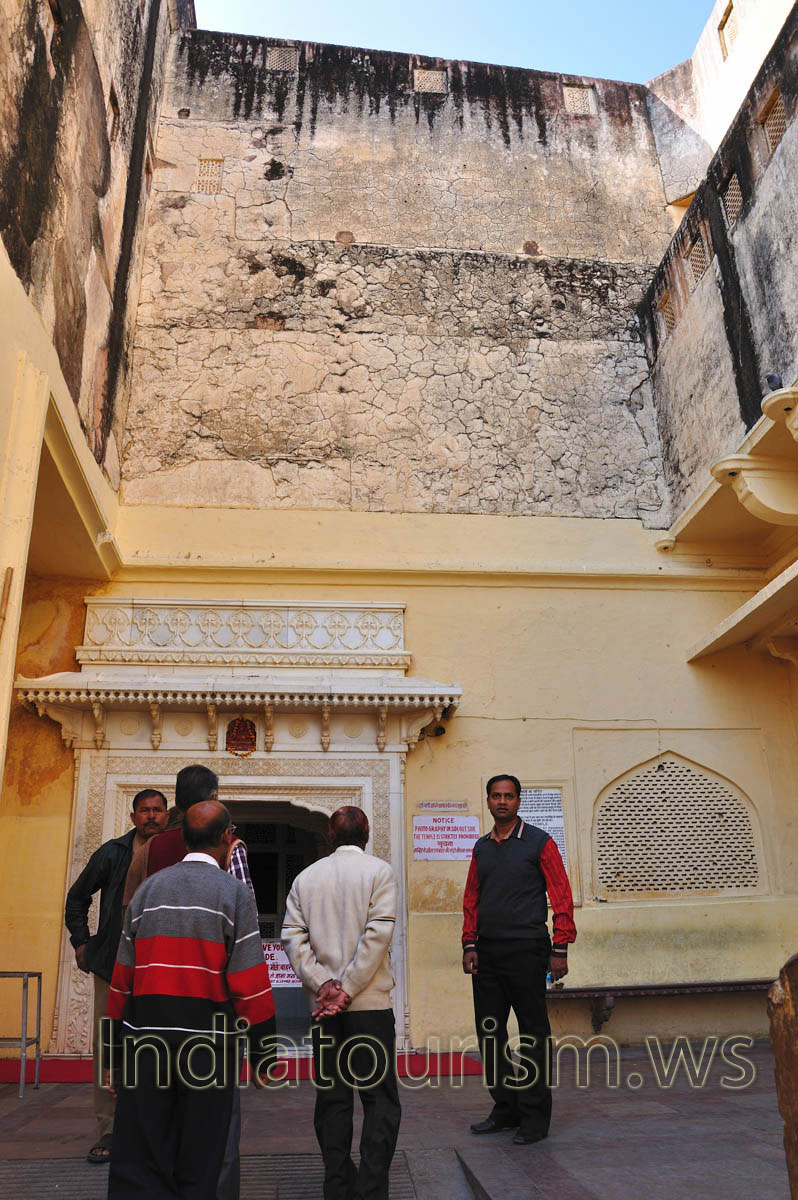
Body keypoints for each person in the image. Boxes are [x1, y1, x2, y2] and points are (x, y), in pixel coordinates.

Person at [105, 800, 276, 1199]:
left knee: (140, 1161)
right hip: (208, 1050)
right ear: (226, 838)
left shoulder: (149, 890)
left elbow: (121, 982)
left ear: (182, 838)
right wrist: (264, 1055)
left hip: (145, 1045)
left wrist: (112, 1056)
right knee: (201, 1161)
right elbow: (249, 982)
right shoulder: (233, 893)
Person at [282, 806, 401, 1200]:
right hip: (369, 1008)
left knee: (332, 1101)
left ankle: (337, 1184)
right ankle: (370, 1189)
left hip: (325, 1011)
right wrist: (347, 988)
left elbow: (292, 939)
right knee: (378, 1101)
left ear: (330, 835)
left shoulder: (306, 878)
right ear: (366, 833)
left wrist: (323, 985)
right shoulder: (379, 872)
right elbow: (377, 934)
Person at [462, 773, 576, 1145]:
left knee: (533, 1036)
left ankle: (534, 1118)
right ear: (488, 800)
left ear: (518, 801)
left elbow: (561, 894)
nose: (502, 802)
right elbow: (471, 899)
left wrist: (560, 947)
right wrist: (469, 944)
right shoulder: (481, 848)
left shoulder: (539, 843)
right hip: (488, 953)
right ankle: (506, 1107)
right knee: (489, 1036)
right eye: (496, 796)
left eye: (508, 796)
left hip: (529, 951)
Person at [64, 788, 168, 1164]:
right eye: (145, 810)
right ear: (133, 816)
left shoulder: (177, 855)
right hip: (112, 966)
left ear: (168, 816)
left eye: (158, 810)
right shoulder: (112, 852)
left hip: (160, 970)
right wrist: (82, 943)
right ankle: (108, 1129)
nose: (151, 816)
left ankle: (152, 1129)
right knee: (108, 1048)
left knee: (157, 1050)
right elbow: (77, 897)